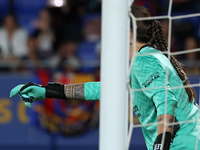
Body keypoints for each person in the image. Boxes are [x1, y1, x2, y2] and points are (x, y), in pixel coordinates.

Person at [10, 5, 200, 150]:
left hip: (183, 143)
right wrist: (47, 91)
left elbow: (166, 101)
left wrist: (161, 144)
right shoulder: (141, 61)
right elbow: (101, 89)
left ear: (129, 34)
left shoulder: (144, 60)